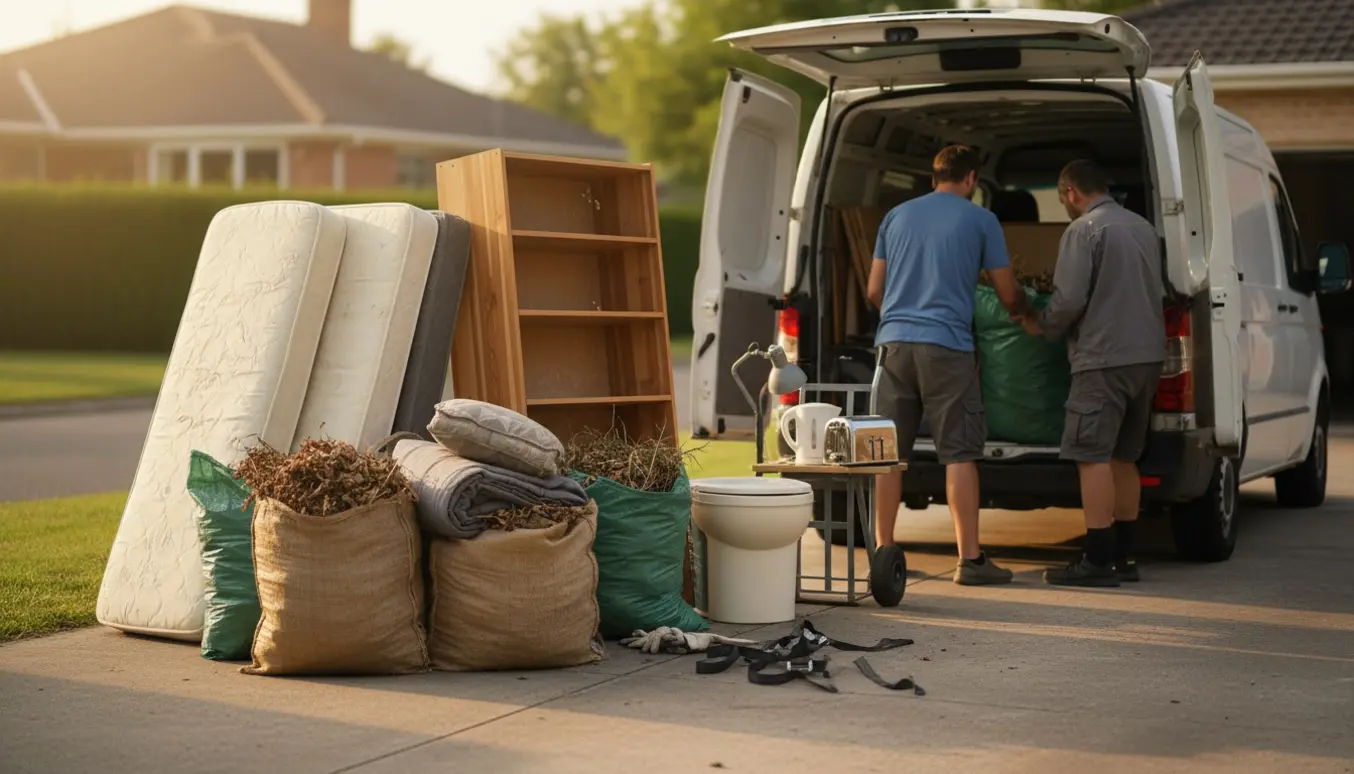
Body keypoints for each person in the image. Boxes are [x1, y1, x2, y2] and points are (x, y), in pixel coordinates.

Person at [867, 144, 1032, 586]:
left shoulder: (896, 217)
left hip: (893, 346)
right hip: (947, 347)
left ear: (933, 175)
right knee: (958, 452)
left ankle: (885, 552)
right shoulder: (981, 220)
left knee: (888, 456)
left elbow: (873, 290)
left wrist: (900, 319)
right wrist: (1026, 315)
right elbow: (1007, 290)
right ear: (972, 179)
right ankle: (971, 560)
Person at [1017, 159, 1166, 587]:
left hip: (1103, 359)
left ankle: (1097, 560)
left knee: (1091, 457)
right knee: (1124, 457)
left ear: (1070, 192)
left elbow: (1068, 301)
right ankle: (1123, 556)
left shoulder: (1083, 231)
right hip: (1147, 359)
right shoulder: (1142, 228)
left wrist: (1040, 324)